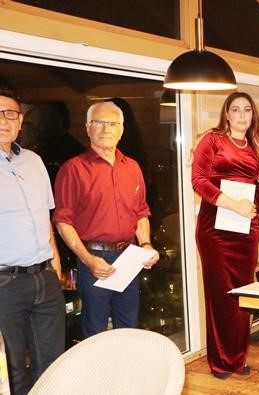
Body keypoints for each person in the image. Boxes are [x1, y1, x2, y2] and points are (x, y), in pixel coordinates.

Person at [54, 101, 159, 338]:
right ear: (87, 128)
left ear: (121, 130)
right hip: (95, 260)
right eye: (98, 122)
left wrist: (146, 245)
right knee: (96, 331)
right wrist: (88, 260)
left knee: (128, 327)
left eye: (112, 123)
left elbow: (141, 212)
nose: (106, 129)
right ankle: (99, 376)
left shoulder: (132, 167)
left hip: (130, 259)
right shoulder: (73, 169)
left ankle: (125, 374)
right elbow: (63, 221)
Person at [191, 92, 259, 379]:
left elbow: (258, 191)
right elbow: (198, 181)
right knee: (220, 295)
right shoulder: (212, 140)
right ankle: (220, 362)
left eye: (247, 110)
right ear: (226, 114)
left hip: (244, 232)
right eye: (235, 109)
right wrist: (233, 204)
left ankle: (236, 359)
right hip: (215, 229)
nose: (241, 115)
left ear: (252, 115)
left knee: (241, 297)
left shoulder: (255, 146)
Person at [0, 87, 65, 395]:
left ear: (20, 119)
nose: (3, 120)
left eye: (10, 113)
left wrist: (56, 262)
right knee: (10, 369)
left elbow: (45, 217)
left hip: (45, 278)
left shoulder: (34, 161)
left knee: (51, 363)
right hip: (4, 283)